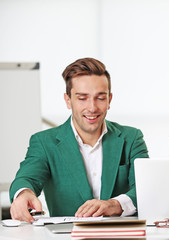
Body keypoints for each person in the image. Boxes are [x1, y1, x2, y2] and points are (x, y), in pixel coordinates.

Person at [9, 58, 149, 223]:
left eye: (100, 98)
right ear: (68, 100)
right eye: (82, 98)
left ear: (109, 100)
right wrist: (24, 194)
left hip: (121, 235)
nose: (92, 107)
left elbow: (145, 188)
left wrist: (115, 204)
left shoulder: (131, 138)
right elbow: (26, 178)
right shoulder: (44, 142)